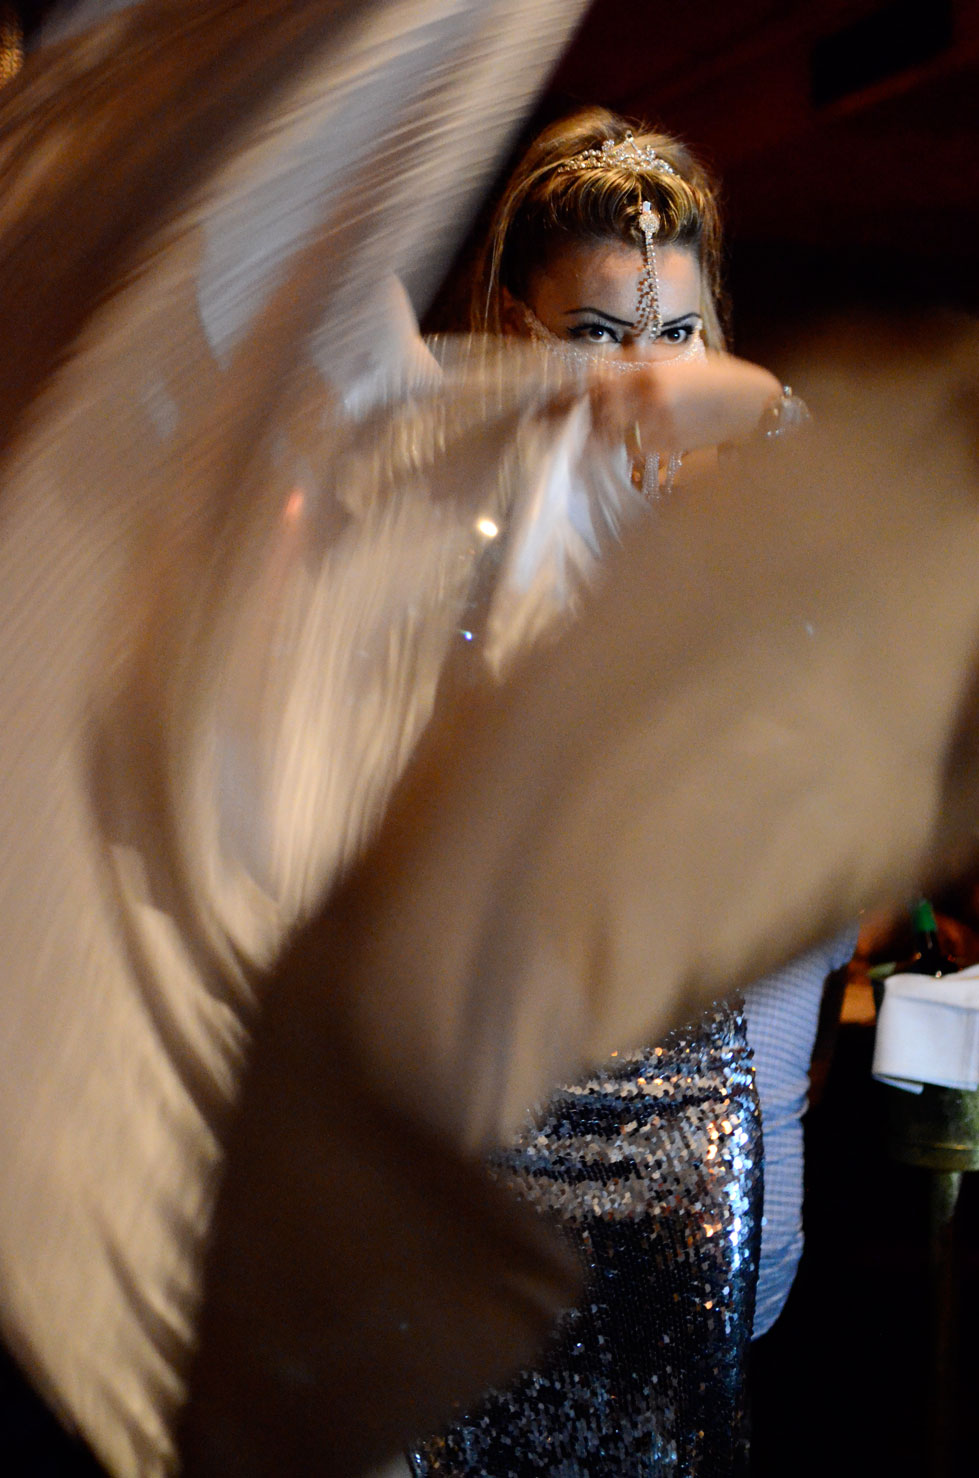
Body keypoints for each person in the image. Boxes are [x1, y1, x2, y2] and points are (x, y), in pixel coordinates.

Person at [403, 107, 810, 1478]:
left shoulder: (759, 559)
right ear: (516, 330)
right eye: (595, 333)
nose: (644, 375)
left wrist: (767, 413)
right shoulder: (440, 549)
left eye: (677, 333)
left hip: (690, 1143)